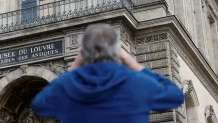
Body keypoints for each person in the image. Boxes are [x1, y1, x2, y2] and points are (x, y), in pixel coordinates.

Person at [31, 24, 184, 123]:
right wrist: (134, 64)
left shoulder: (68, 85)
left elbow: (40, 106)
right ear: (117, 52)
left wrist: (74, 66)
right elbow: (175, 96)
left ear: (83, 52)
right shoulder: (136, 82)